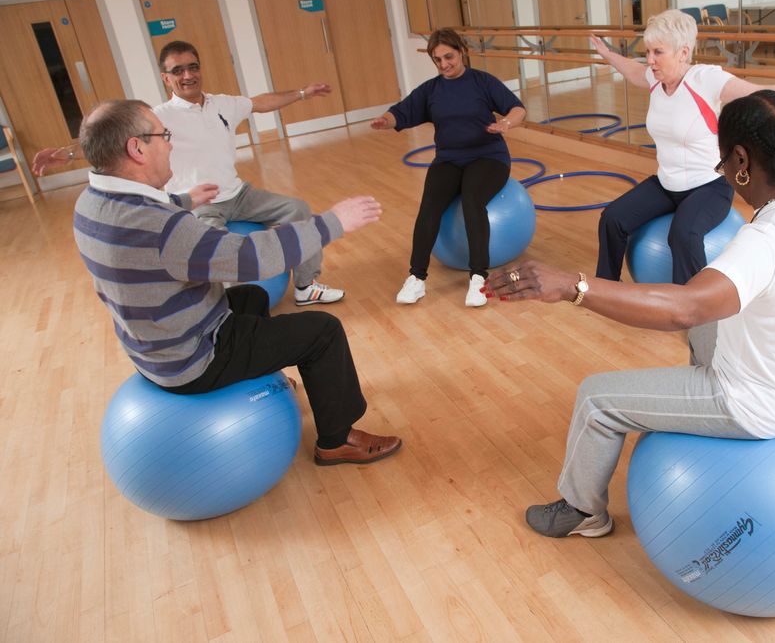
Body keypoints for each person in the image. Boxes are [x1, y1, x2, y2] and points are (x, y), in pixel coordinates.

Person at [483, 90, 775, 538]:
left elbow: (685, 307)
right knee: (706, 325)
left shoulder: (767, 239)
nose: (726, 175)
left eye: (723, 164)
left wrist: (571, 285)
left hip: (757, 402)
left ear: (741, 159)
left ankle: (583, 512)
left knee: (596, 398)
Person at [73, 99, 401, 465]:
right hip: (193, 358)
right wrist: (332, 223)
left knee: (250, 299)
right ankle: (337, 441)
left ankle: (266, 382)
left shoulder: (89, 204)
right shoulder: (163, 229)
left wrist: (184, 200)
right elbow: (250, 258)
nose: (170, 144)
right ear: (136, 148)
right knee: (323, 331)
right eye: (163, 136)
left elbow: (146, 222)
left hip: (152, 349)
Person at [35, 40, 346, 306]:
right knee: (225, 255)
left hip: (239, 194)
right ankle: (233, 311)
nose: (187, 75)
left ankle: (306, 287)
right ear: (166, 78)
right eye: (178, 70)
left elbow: (261, 103)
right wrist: (68, 154)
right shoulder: (158, 116)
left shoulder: (222, 104)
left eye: (192, 67)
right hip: (198, 202)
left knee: (298, 210)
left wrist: (302, 93)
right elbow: (114, 139)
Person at [588, 9, 775, 286]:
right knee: (612, 218)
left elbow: (758, 93)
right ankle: (604, 289)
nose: (649, 60)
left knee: (683, 235)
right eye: (647, 51)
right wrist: (607, 53)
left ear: (683, 53)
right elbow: (632, 70)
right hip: (666, 183)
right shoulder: (654, 80)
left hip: (708, 186)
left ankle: (693, 307)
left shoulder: (704, 80)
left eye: (658, 52)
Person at [370, 28, 527, 307]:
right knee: (429, 205)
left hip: (488, 156)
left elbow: (518, 109)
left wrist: (505, 123)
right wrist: (385, 120)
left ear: (462, 52)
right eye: (437, 60)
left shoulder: (482, 82)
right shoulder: (431, 90)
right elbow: (401, 112)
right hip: (449, 159)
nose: (444, 64)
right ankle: (416, 278)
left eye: (449, 57)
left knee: (472, 199)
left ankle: (478, 277)